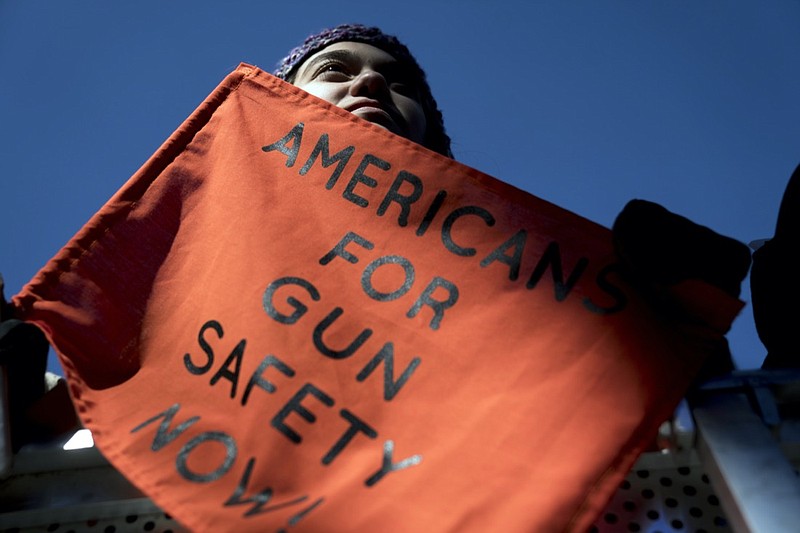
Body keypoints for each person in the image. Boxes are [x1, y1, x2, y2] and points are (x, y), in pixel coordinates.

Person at [0, 23, 753, 451]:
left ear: (435, 138)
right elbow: (72, 424)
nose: (369, 86)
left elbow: (645, 432)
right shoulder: (167, 285)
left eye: (398, 84)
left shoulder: (542, 291)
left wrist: (683, 331)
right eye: (335, 70)